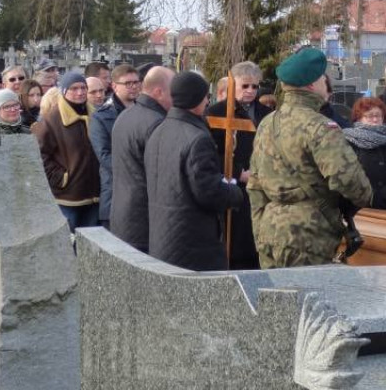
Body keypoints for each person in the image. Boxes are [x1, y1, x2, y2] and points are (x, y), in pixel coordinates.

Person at [248, 47, 373, 268]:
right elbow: (350, 181)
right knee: (309, 299)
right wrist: (366, 197)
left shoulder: (267, 124)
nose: (327, 85)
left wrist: (259, 229)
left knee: (275, 299)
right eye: (323, 79)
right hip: (309, 233)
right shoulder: (320, 126)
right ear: (312, 84)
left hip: (270, 228)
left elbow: (255, 185)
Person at [145, 70, 246, 271]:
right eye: (206, 96)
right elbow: (208, 192)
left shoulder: (159, 129)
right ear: (198, 99)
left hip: (163, 234)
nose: (208, 101)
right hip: (192, 241)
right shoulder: (197, 138)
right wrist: (235, 191)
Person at [206, 61, 272, 269]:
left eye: (255, 86)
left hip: (262, 182)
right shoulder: (216, 112)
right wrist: (236, 172)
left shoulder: (266, 113)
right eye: (245, 86)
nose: (251, 91)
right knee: (235, 242)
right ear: (233, 84)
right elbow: (209, 151)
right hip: (232, 184)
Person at [110, 66, 174, 253]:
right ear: (158, 92)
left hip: (123, 215)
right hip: (145, 220)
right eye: (173, 92)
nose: (175, 98)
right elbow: (162, 178)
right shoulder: (157, 123)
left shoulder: (126, 116)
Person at [32, 71, 101, 232]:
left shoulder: (96, 115)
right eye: (74, 88)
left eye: (83, 88)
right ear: (64, 91)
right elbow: (40, 154)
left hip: (95, 193)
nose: (80, 92)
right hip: (68, 195)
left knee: (91, 244)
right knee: (68, 242)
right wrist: (61, 178)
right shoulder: (52, 119)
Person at [91, 64, 140, 230]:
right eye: (128, 83)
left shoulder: (144, 111)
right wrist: (134, 172)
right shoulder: (101, 116)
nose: (133, 87)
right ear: (114, 86)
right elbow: (104, 155)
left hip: (141, 193)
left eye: (136, 82)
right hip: (115, 190)